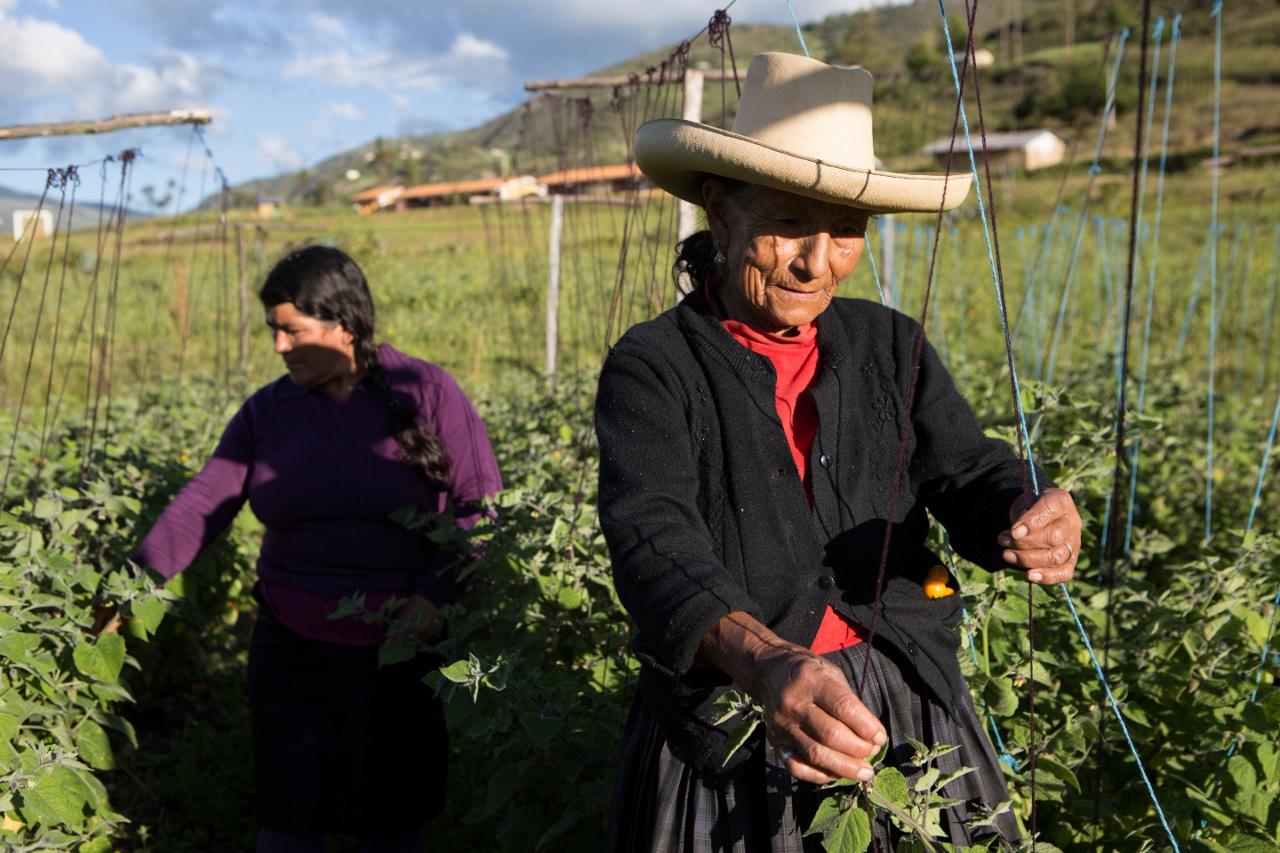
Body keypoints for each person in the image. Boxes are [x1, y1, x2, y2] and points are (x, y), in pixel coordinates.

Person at [596, 53, 1081, 851]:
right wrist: (765, 661)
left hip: (905, 702)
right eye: (788, 222)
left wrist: (1027, 506)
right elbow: (653, 538)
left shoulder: (888, 345)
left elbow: (964, 469)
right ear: (720, 211)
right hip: (741, 722)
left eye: (845, 231)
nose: (816, 263)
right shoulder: (656, 366)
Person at [127, 246, 502, 852]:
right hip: (290, 641)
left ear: (344, 326)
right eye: (273, 330)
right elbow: (205, 501)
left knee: (392, 819)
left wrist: (434, 597)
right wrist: (135, 579)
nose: (278, 346)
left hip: (400, 644)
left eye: (292, 330)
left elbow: (480, 503)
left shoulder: (425, 390)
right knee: (289, 817)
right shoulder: (269, 412)